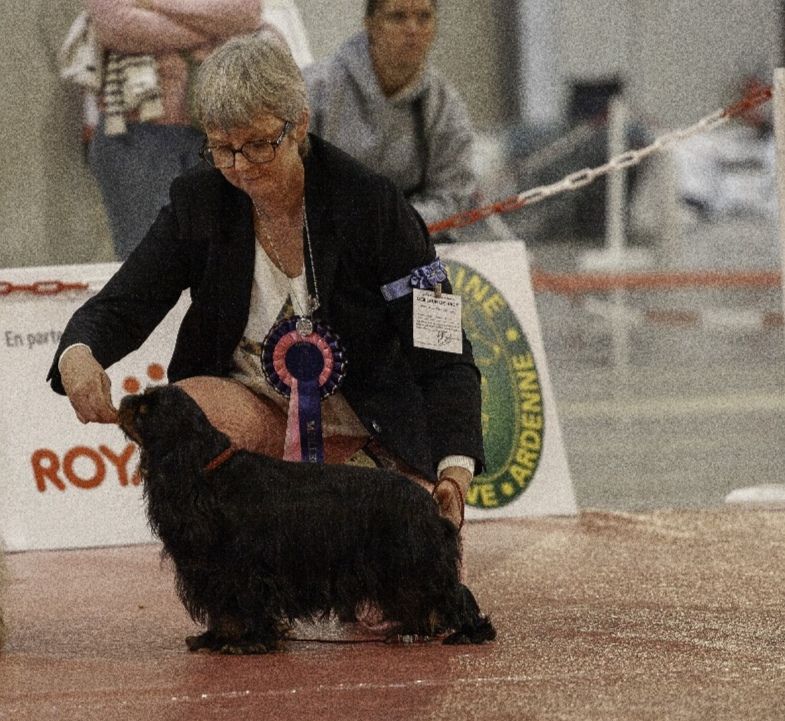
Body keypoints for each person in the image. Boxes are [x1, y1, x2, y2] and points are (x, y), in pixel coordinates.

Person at [47, 31, 484, 529]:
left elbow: (443, 349)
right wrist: (78, 354)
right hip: (253, 404)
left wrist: (454, 469)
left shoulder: (375, 205)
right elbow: (124, 304)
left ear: (298, 124)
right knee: (186, 414)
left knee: (393, 590)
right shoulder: (199, 199)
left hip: (368, 421)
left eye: (258, 145)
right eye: (222, 149)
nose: (241, 168)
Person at [84, 0, 264, 259]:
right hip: (133, 134)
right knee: (148, 264)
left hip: (219, 128)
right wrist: (211, 27)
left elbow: (244, 12)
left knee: (223, 261)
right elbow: (116, 26)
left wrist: (151, 4)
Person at [303, 0, 477, 232]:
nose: (413, 29)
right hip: (326, 241)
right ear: (370, 24)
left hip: (413, 244)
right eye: (398, 17)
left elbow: (453, 199)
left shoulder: (446, 106)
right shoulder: (314, 91)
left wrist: (391, 225)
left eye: (424, 17)